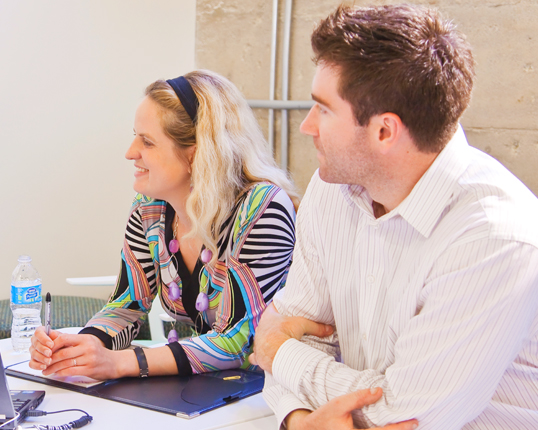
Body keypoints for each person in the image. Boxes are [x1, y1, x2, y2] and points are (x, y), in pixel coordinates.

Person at [248, 4, 538, 430]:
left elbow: (402, 415)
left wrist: (278, 351)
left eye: (323, 109)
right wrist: (299, 420)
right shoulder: (332, 188)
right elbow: (296, 336)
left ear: (385, 131)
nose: (307, 126)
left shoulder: (494, 236)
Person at [30, 70, 298, 379]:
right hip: (212, 388)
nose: (130, 152)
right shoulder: (150, 209)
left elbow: (238, 341)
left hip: (276, 393)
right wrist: (81, 347)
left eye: (147, 141)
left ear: (195, 155)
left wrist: (120, 363)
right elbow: (126, 305)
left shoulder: (262, 209)